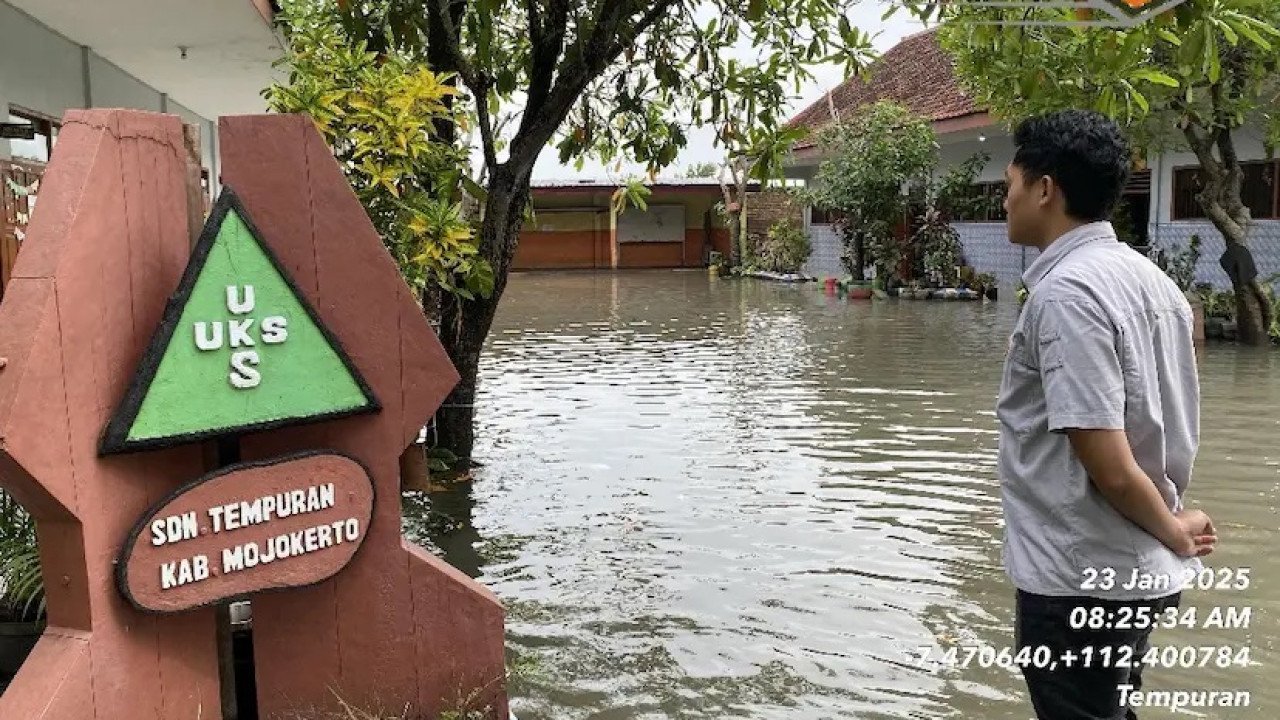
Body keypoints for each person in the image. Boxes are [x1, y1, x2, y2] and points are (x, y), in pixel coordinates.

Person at [995, 109, 1217, 720]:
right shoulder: (1156, 285)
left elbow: (1110, 463)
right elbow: (1166, 423)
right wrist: (1170, 521)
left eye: (1011, 183)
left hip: (1078, 577)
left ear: (1045, 189)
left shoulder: (1067, 294)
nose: (1006, 200)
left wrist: (1174, 531)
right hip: (1134, 571)